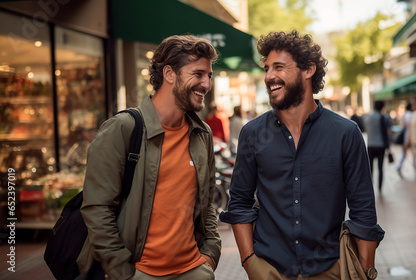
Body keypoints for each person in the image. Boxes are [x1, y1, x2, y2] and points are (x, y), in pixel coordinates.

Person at [220, 30, 384, 280]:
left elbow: (363, 211)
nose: (269, 76)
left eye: (278, 67)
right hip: (269, 268)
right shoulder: (252, 133)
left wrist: (363, 271)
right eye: (267, 68)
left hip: (329, 268)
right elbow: (240, 203)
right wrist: (249, 262)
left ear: (308, 70)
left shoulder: (344, 133)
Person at [78, 35, 221, 280]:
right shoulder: (122, 129)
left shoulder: (202, 133)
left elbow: (207, 202)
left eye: (208, 75)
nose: (206, 84)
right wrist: (123, 272)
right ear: (169, 74)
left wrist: (210, 254)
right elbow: (97, 208)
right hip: (138, 272)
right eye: (198, 74)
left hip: (194, 270)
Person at [363, 100, 391, 194]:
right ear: (382, 107)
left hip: (370, 145)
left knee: (370, 169)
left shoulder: (367, 117)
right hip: (380, 145)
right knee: (380, 168)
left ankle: (369, 188)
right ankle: (379, 189)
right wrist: (388, 146)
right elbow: (385, 133)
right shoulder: (383, 117)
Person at [396, 103, 413, 177]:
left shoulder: (405, 115)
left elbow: (402, 126)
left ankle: (399, 166)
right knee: (414, 154)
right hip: (411, 137)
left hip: (406, 137)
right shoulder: (412, 115)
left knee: (404, 153)